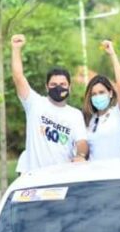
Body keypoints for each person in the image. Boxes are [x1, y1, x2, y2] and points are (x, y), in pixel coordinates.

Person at [11, 34, 88, 173]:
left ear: (69, 87)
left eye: (62, 84)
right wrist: (16, 49)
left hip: (62, 177)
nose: (58, 88)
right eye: (53, 84)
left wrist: (80, 155)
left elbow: (82, 142)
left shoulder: (75, 115)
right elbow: (18, 77)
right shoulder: (34, 103)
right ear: (46, 87)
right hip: (35, 177)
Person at [81, 40, 120, 160]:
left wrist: (112, 54)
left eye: (101, 92)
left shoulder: (119, 113)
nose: (97, 96)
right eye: (94, 94)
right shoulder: (89, 120)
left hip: (116, 174)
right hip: (94, 175)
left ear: (111, 93)